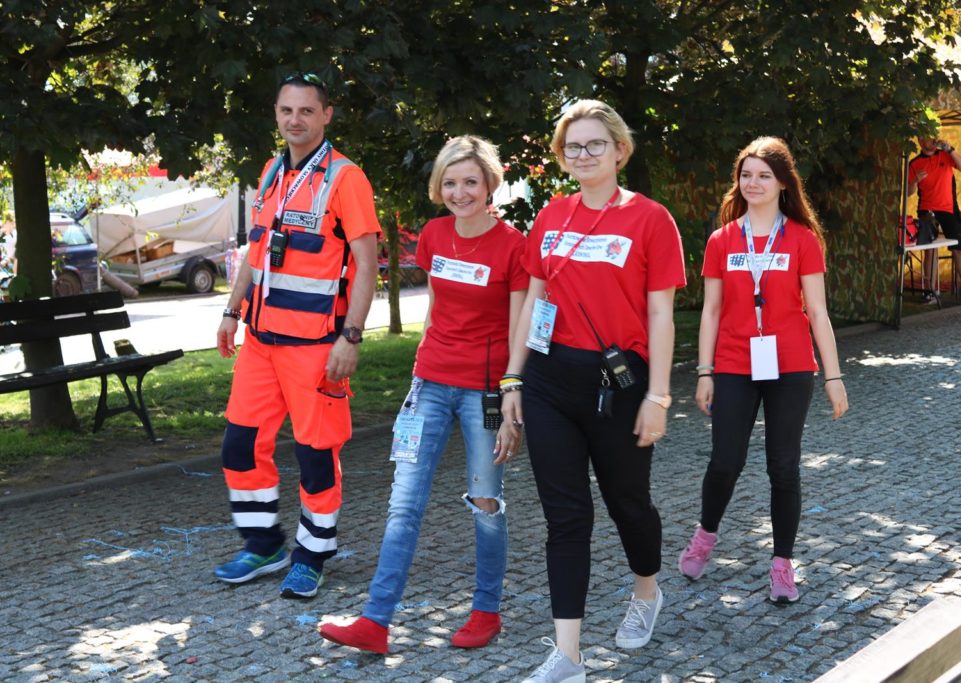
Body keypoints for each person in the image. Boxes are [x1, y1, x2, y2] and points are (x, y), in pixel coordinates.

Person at [500, 100, 686, 683]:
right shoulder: (551, 216)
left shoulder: (651, 219)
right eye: (572, 146)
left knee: (628, 503)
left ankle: (647, 591)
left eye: (594, 145)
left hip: (618, 385)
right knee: (565, 516)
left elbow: (661, 314)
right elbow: (534, 301)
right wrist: (513, 378)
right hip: (549, 381)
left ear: (619, 150)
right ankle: (568, 656)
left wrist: (659, 396)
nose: (583, 155)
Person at [319, 135, 527, 654]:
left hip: (485, 392)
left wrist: (511, 400)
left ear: (490, 185)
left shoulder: (513, 246)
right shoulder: (433, 235)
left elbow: (520, 327)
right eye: (450, 182)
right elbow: (437, 310)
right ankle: (375, 622)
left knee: (486, 502)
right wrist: (418, 377)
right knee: (403, 504)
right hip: (430, 383)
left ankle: (486, 611)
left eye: (471, 182)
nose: (460, 192)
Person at [212, 73, 381, 600]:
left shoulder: (346, 178)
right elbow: (257, 250)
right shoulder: (270, 172)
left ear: (326, 115)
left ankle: (312, 555)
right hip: (261, 342)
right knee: (240, 445)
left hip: (315, 345)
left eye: (307, 110)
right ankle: (263, 544)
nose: (295, 120)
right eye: (287, 110)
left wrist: (351, 337)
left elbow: (368, 263)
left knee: (316, 454)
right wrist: (231, 311)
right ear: (276, 114)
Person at [678, 136, 849, 605]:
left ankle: (782, 565)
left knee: (783, 467)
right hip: (734, 364)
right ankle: (705, 536)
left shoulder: (802, 239)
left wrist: (834, 376)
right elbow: (711, 311)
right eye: (746, 175)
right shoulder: (722, 240)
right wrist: (705, 371)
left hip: (790, 366)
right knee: (725, 462)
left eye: (763, 176)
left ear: (783, 184)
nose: (752, 183)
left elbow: (818, 311)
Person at [907, 135, 961, 303]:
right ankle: (931, 291)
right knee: (930, 250)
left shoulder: (946, 155)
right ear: (920, 141)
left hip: (949, 209)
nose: (931, 141)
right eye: (926, 138)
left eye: (933, 138)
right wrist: (915, 181)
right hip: (927, 210)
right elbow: (908, 192)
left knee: (959, 249)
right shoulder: (914, 163)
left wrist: (950, 149)